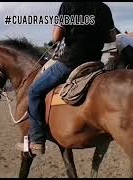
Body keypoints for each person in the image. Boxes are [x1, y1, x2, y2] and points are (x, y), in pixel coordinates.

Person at [16, 2, 116, 155]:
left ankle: (37, 140)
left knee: (34, 91)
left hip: (70, 62)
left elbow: (56, 36)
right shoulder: (103, 8)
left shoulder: (68, 5)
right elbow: (111, 38)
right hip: (95, 62)